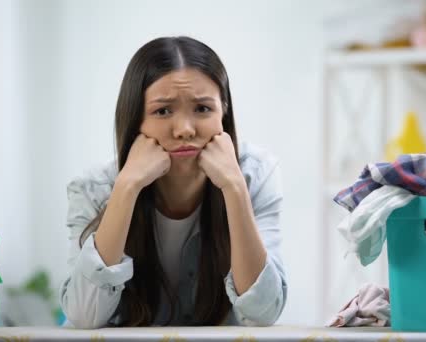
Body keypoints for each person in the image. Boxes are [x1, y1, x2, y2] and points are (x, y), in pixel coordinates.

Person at [59, 36, 287, 328]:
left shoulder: (256, 174)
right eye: (163, 110)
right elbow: (84, 316)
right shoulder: (94, 187)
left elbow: (262, 313)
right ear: (136, 118)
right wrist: (127, 187)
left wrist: (234, 188)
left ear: (224, 110)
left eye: (203, 108)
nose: (185, 130)